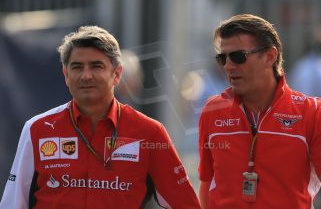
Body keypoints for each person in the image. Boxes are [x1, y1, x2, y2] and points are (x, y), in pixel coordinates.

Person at [0, 26, 200, 209]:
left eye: (96, 66)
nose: (86, 76)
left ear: (117, 74)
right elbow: (12, 204)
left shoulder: (150, 133)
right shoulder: (36, 129)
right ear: (65, 75)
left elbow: (186, 204)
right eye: (77, 67)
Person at [198, 14, 321, 208]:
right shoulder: (212, 111)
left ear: (270, 56)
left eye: (238, 56)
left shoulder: (313, 113)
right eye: (222, 58)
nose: (228, 66)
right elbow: (206, 186)